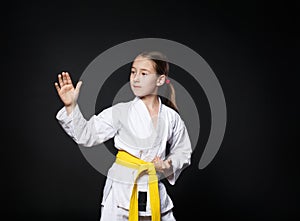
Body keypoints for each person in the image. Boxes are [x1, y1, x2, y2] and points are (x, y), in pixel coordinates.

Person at [54, 51, 192, 221]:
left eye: (143, 73)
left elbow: (183, 152)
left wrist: (167, 165)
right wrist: (71, 106)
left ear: (160, 80)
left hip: (153, 190)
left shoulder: (172, 117)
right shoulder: (120, 112)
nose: (135, 78)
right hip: (121, 192)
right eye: (133, 72)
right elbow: (85, 135)